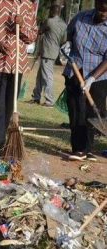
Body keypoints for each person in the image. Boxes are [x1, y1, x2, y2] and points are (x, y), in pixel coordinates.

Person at [0, 0, 38, 156]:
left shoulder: (28, 6)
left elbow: (32, 37)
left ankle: (6, 145)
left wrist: (22, 25)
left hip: (18, 64)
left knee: (10, 106)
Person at [61, 0, 107, 162]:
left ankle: (87, 149)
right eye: (101, 10)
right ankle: (78, 149)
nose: (104, 14)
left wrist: (92, 78)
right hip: (76, 70)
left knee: (92, 113)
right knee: (76, 110)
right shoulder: (81, 18)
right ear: (96, 5)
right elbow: (68, 35)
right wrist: (66, 43)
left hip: (99, 76)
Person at [30, 3, 67, 107]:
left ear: (52, 12)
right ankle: (36, 97)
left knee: (47, 77)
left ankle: (49, 100)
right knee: (40, 76)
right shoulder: (64, 24)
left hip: (47, 52)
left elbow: (40, 31)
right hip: (54, 52)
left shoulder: (49, 21)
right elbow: (64, 40)